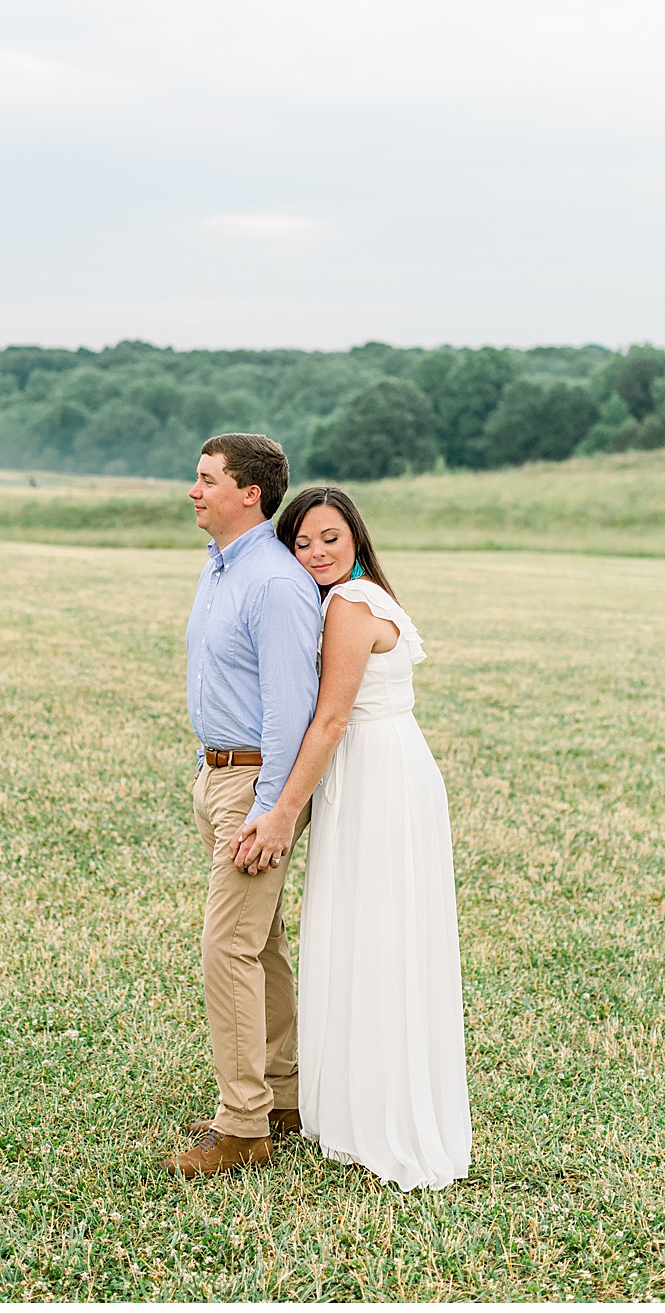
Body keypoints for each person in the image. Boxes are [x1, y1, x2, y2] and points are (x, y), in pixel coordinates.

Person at [232, 486, 471, 1191]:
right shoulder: (370, 595)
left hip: (374, 777)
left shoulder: (347, 606)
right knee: (382, 936)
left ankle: (379, 1117)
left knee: (375, 937)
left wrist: (280, 811)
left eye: (329, 538)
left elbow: (330, 722)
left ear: (356, 539)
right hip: (394, 769)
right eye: (301, 544)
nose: (315, 554)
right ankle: (358, 1100)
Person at [166, 433, 322, 1179]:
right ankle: (280, 1098)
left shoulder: (274, 582)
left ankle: (242, 1129)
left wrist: (273, 809)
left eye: (206, 480)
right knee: (259, 945)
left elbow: (292, 710)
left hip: (256, 788)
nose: (193, 491)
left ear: (249, 493)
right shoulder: (219, 569)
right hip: (217, 777)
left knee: (225, 945)